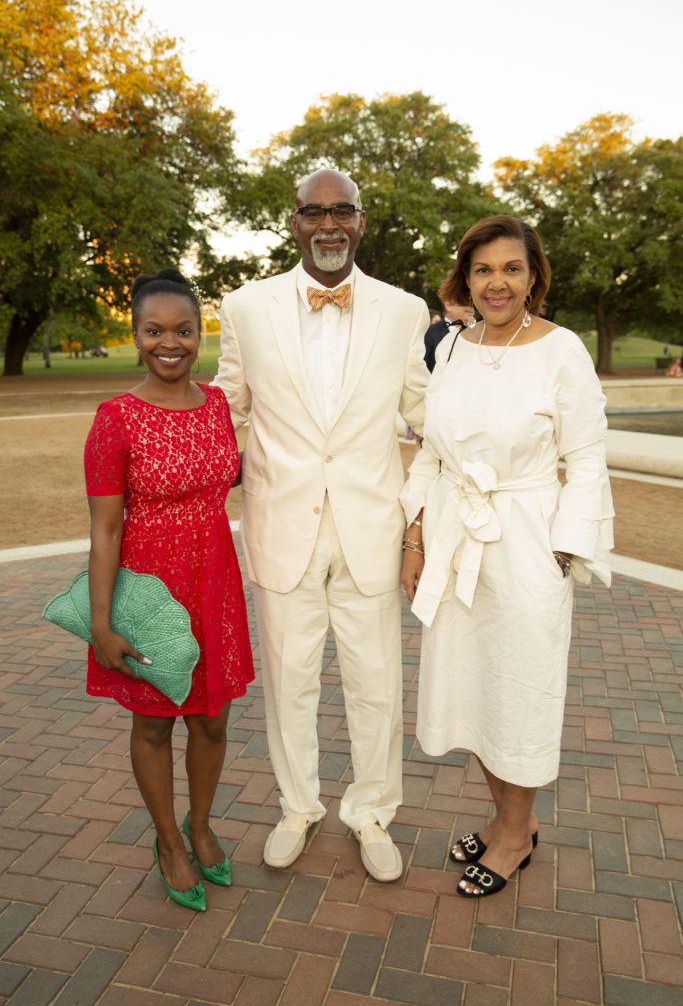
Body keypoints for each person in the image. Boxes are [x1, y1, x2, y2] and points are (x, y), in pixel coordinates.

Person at [213, 168, 429, 882]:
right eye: (314, 212)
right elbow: (228, 408)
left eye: (343, 212)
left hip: (370, 527)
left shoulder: (403, 309)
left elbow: (424, 414)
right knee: (289, 680)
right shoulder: (245, 306)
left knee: (375, 685)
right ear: (294, 219)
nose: (329, 225)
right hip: (282, 528)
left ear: (361, 221)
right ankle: (297, 807)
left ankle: (371, 813)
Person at [401, 215, 613, 898]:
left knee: (518, 688)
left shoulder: (561, 350)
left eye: (511, 269)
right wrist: (415, 536)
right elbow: (432, 452)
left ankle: (517, 836)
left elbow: (585, 458)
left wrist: (562, 548)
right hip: (457, 536)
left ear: (532, 277)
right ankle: (501, 820)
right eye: (483, 269)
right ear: (465, 276)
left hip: (525, 539)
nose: (497, 282)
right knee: (473, 685)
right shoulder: (453, 348)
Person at [84, 269, 253, 911]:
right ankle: (167, 842)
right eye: (154, 330)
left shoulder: (217, 407)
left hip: (214, 582)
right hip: (151, 591)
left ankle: (200, 825)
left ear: (200, 332)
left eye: (183, 329)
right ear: (136, 335)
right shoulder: (116, 419)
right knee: (155, 725)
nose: (170, 342)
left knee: (211, 719)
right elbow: (104, 531)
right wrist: (102, 623)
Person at [423, 300, 475, 372]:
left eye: (473, 301)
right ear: (448, 305)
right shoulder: (430, 332)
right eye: (464, 299)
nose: (470, 306)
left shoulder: (480, 333)